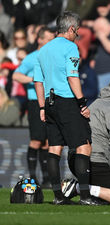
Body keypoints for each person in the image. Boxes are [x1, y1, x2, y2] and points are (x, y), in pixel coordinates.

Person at [34, 11, 96, 205]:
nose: (77, 35)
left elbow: (38, 81)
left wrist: (42, 108)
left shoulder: (42, 50)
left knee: (54, 148)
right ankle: (85, 196)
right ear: (71, 29)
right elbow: (72, 76)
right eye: (77, 31)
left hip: (49, 103)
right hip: (67, 101)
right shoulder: (71, 47)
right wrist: (82, 103)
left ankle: (58, 197)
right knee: (83, 146)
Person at [62, 78, 110, 205]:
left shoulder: (95, 103)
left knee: (106, 198)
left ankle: (84, 187)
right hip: (94, 161)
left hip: (77, 160)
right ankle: (78, 188)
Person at [12, 27, 55, 187]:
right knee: (36, 140)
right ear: (40, 40)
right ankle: (32, 177)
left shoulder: (52, 57)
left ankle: (45, 179)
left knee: (47, 142)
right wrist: (33, 79)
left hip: (50, 102)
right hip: (36, 102)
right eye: (49, 39)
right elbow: (16, 75)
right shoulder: (32, 58)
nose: (52, 42)